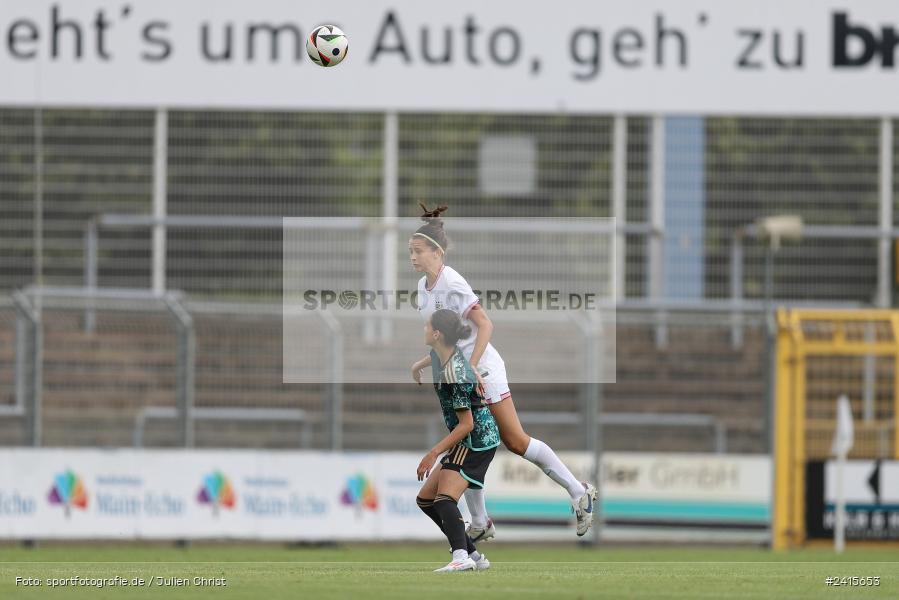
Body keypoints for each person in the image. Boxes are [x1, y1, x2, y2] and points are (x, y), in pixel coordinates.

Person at [410, 203, 597, 540]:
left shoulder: (452, 282)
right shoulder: (422, 291)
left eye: (418, 250)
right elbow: (445, 336)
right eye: (410, 250)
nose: (412, 256)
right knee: (469, 440)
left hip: (484, 371)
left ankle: (578, 490)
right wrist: (424, 362)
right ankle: (480, 523)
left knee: (515, 441)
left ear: (436, 252)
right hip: (462, 374)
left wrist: (472, 366)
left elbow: (485, 324)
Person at [416, 308, 500, 572]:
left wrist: (433, 453)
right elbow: (433, 357)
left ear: (437, 333)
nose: (424, 329)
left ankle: (461, 556)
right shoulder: (441, 354)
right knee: (426, 500)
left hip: (476, 440)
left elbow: (467, 424)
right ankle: (474, 557)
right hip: (467, 439)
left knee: (443, 499)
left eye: (427, 326)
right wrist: (417, 366)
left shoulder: (455, 372)